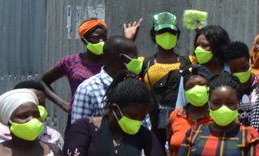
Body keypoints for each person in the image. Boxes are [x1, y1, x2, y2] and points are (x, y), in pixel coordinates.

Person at [40, 18, 140, 114]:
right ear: (84, 40)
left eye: (104, 37)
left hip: (108, 116)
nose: (101, 41)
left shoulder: (111, 60)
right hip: (80, 114)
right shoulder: (71, 61)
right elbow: (43, 81)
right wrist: (63, 104)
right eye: (96, 38)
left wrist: (129, 40)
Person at [69, 36, 147, 125]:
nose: (138, 59)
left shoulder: (137, 87)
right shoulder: (88, 89)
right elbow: (79, 129)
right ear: (122, 58)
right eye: (135, 56)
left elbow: (145, 125)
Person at [140, 12, 190, 143]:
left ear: (177, 35)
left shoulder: (188, 63)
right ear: (153, 35)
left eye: (171, 32)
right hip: (152, 123)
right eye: (162, 32)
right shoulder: (144, 63)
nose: (167, 36)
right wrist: (129, 39)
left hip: (181, 122)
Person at [221, 41, 259, 125]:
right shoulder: (224, 88)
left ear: (250, 60)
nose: (240, 72)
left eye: (244, 68)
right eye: (235, 71)